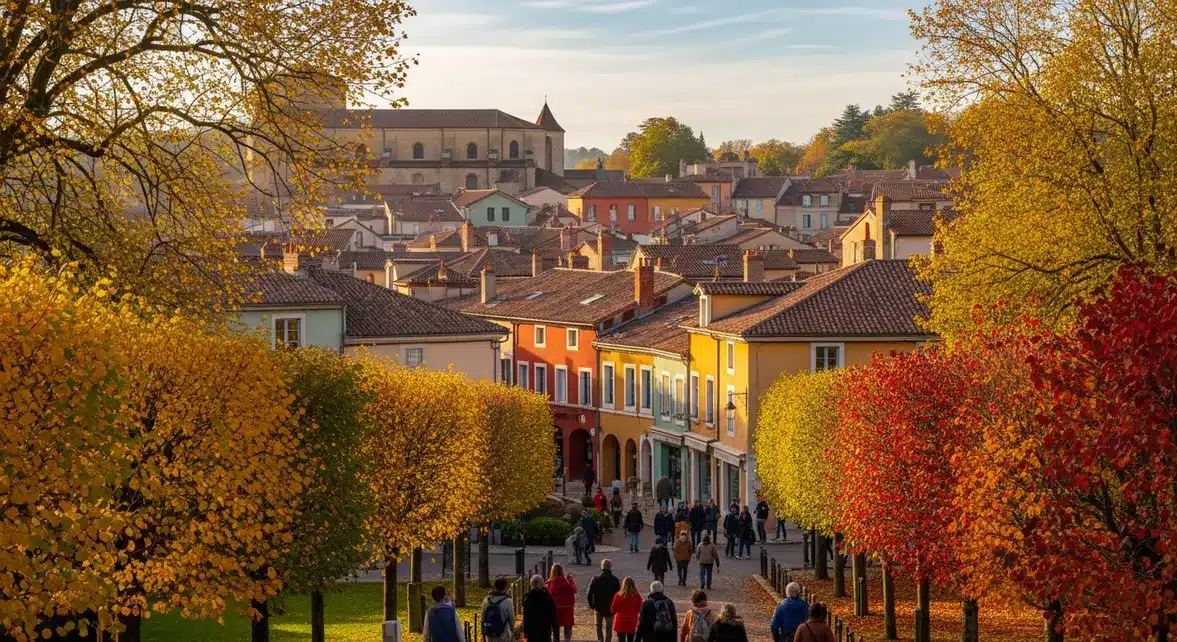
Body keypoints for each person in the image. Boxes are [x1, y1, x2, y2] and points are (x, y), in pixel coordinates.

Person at [588, 559, 622, 642]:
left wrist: (591, 605)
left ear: (601, 567)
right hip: (610, 607)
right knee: (608, 628)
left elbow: (589, 593)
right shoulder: (614, 580)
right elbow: (618, 595)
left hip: (598, 607)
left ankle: (600, 640)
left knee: (598, 626)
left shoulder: (595, 579)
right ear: (610, 567)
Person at [523, 574, 560, 642]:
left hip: (532, 631)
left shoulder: (528, 598)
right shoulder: (547, 598)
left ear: (531, 584)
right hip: (544, 630)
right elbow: (553, 617)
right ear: (542, 584)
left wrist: (525, 631)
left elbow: (526, 616)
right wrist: (556, 634)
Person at [546, 564, 578, 642]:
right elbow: (574, 590)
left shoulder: (551, 582)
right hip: (568, 607)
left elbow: (549, 595)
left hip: (556, 607)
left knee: (556, 630)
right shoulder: (567, 580)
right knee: (567, 629)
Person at [481, 577, 517, 642]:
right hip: (503, 634)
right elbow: (512, 620)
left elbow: (483, 618)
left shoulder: (486, 600)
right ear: (506, 587)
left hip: (489, 633)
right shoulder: (508, 601)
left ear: (495, 586)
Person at [611, 577, 643, 642]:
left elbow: (613, 609)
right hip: (632, 621)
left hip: (620, 621)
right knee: (630, 640)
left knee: (621, 640)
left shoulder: (618, 595)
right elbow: (640, 608)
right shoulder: (637, 596)